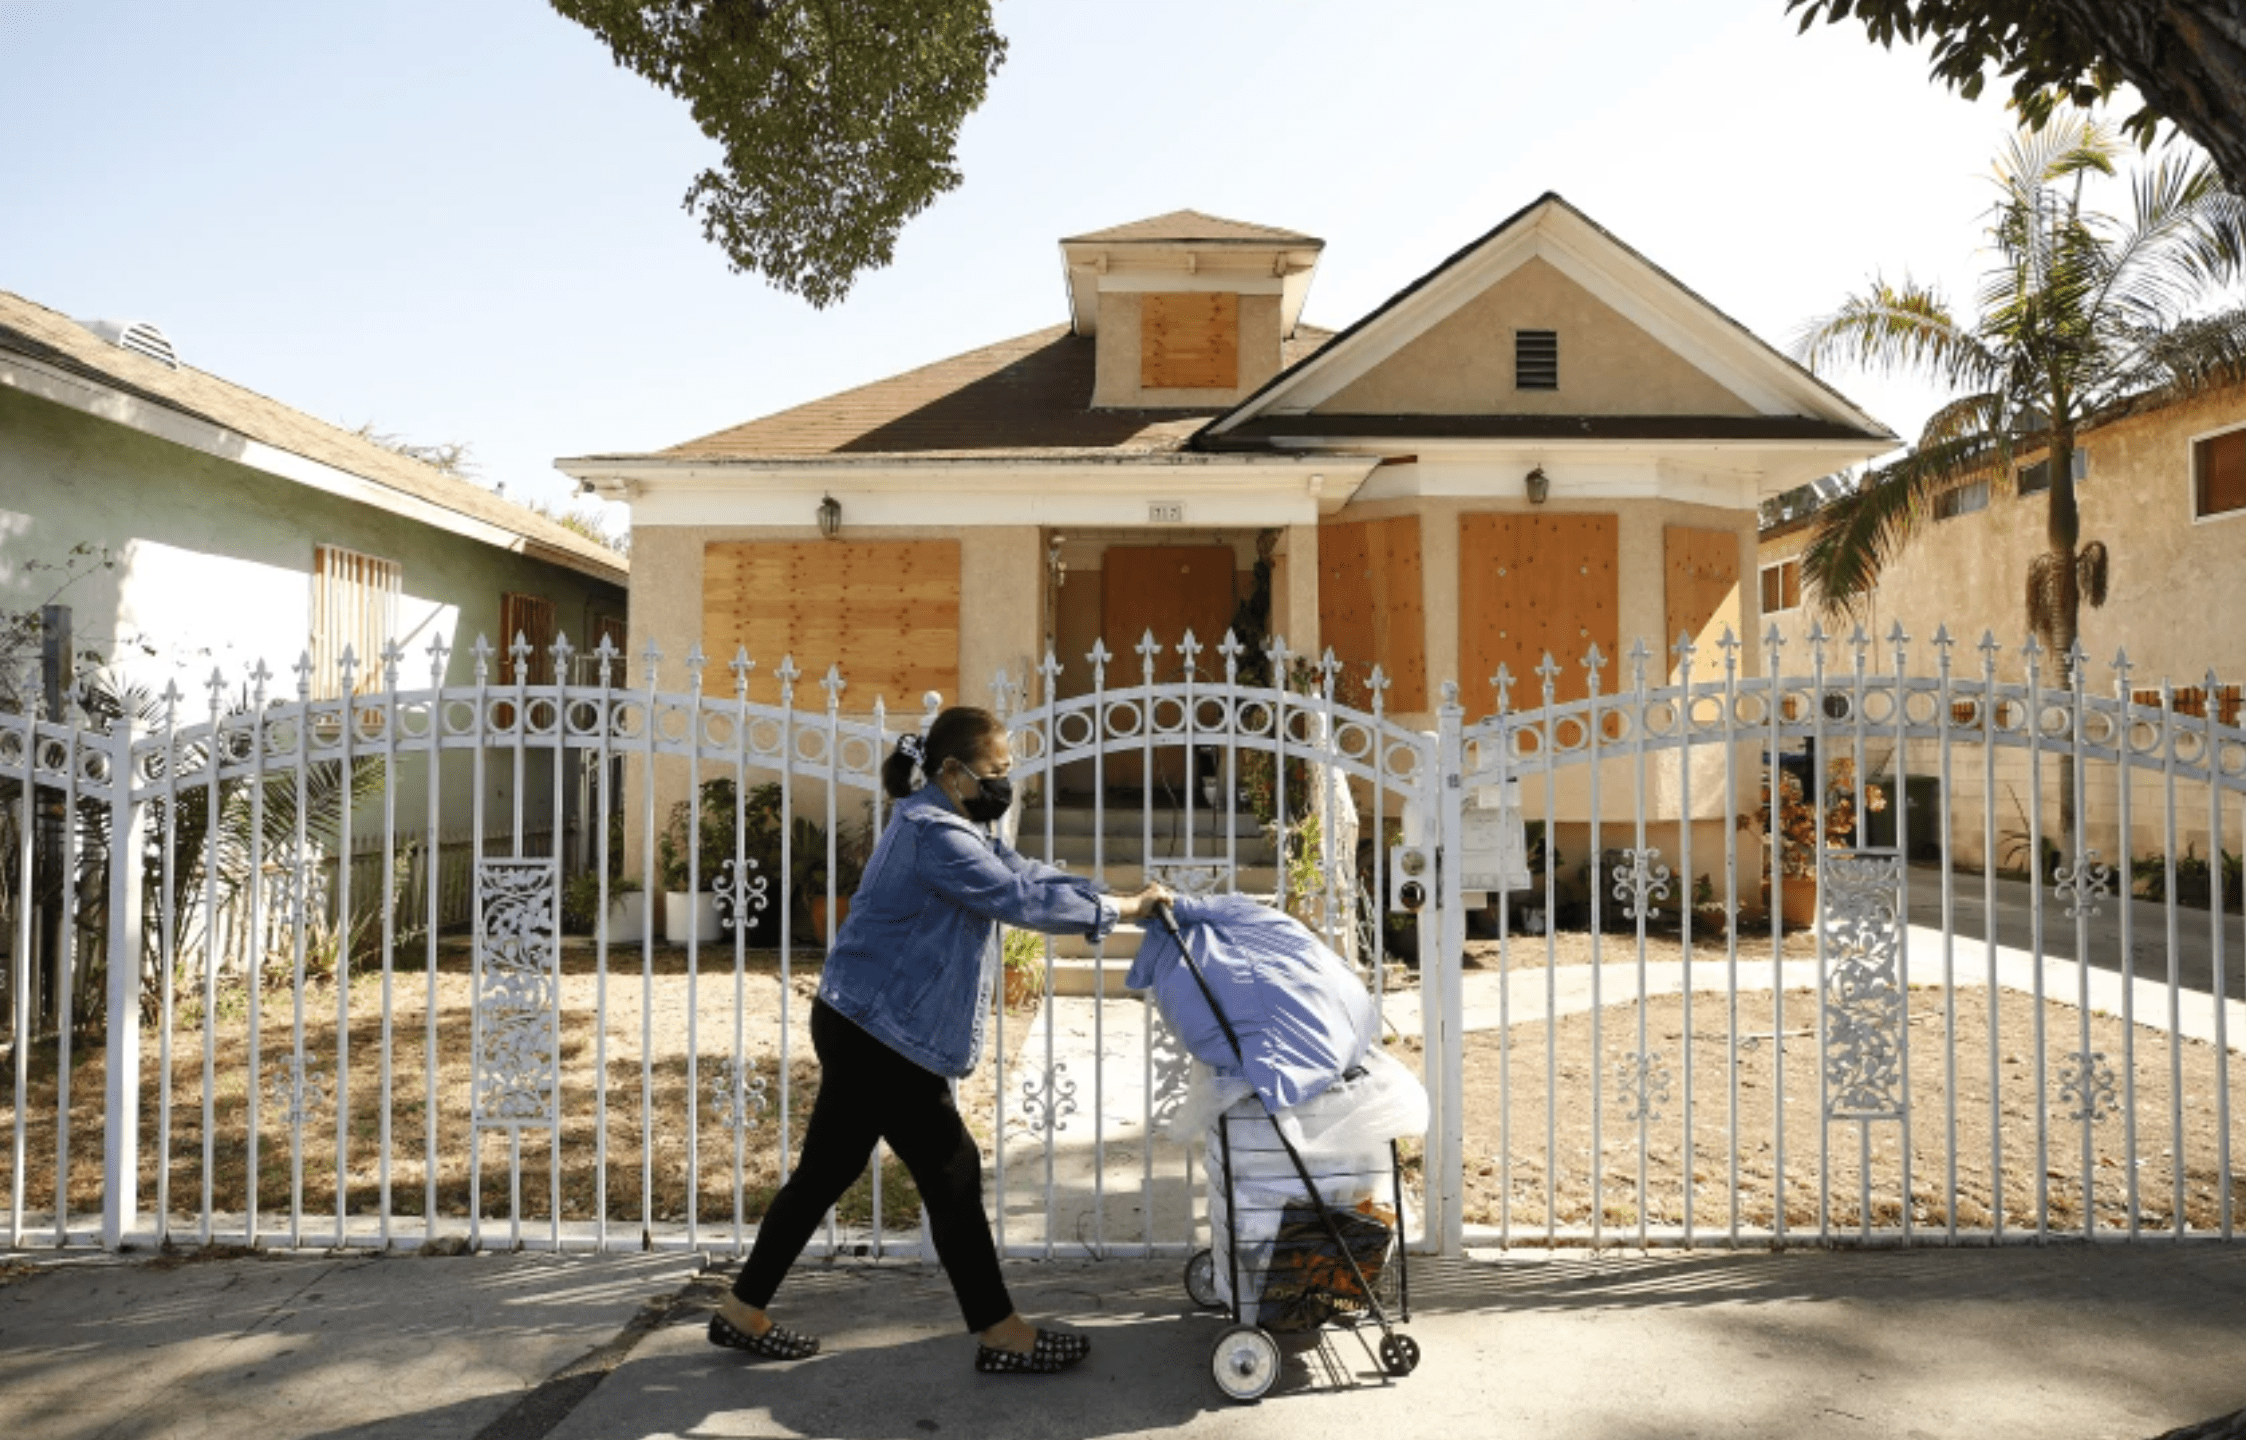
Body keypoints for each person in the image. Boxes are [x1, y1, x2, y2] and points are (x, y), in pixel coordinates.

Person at [709, 704, 1171, 1375]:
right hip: (880, 1034)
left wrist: (1109, 893)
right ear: (953, 772)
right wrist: (1124, 911)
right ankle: (1001, 1332)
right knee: (951, 1170)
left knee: (826, 1173)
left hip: (861, 1020)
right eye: (996, 772)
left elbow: (1028, 876)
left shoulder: (957, 825)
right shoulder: (935, 836)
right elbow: (1019, 902)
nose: (1003, 784)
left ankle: (741, 1309)